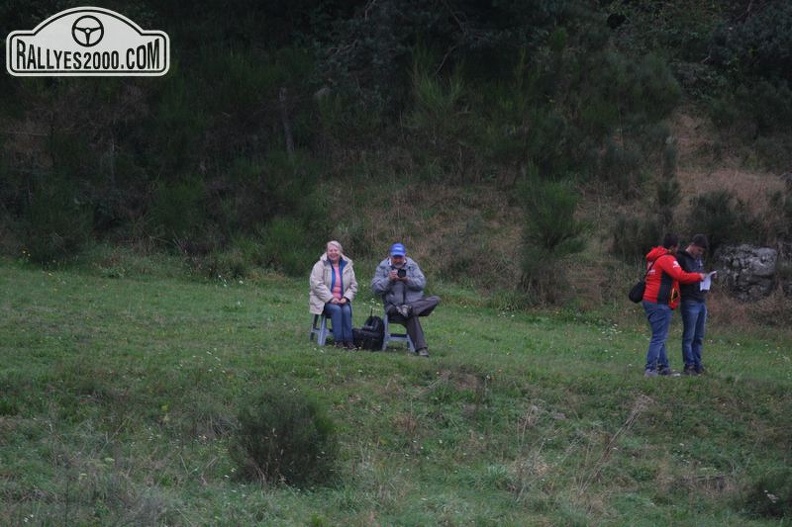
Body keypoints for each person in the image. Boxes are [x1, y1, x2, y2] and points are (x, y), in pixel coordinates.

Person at [641, 234, 706, 377]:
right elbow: (680, 276)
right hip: (659, 302)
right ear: (672, 247)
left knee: (660, 336)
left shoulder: (654, 257)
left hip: (650, 300)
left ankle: (664, 367)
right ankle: (650, 368)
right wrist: (699, 276)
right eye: (676, 247)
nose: (677, 250)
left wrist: (674, 301)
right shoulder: (667, 259)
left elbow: (671, 282)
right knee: (659, 337)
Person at [371, 242, 440, 357]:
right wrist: (388, 279)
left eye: (400, 257)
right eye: (395, 257)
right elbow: (375, 288)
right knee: (411, 316)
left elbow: (422, 283)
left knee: (435, 299)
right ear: (390, 256)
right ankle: (421, 349)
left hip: (413, 304)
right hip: (393, 307)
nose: (398, 260)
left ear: (405, 256)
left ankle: (409, 308)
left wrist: (407, 280)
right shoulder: (383, 267)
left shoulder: (412, 265)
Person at [309, 240, 358, 349]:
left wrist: (346, 298)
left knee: (346, 310)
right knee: (336, 310)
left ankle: (349, 341)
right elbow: (316, 284)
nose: (333, 253)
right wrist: (330, 298)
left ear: (340, 252)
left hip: (342, 300)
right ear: (326, 252)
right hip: (323, 301)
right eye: (330, 250)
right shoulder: (320, 265)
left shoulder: (348, 266)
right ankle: (339, 341)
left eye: (335, 250)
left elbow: (353, 285)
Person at [677, 234, 713, 375]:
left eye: (702, 252)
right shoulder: (681, 258)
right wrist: (696, 277)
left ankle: (698, 364)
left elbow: (699, 274)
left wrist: (707, 277)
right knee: (689, 336)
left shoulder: (698, 260)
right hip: (689, 300)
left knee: (699, 336)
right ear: (692, 245)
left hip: (700, 299)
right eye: (698, 250)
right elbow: (679, 278)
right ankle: (689, 365)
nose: (699, 254)